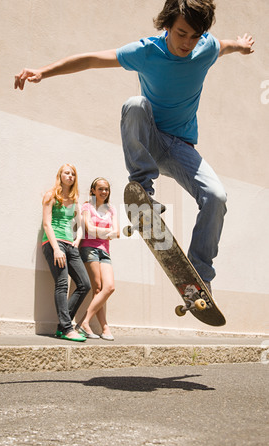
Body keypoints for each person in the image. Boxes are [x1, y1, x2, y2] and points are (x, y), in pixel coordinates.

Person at [15, 0, 255, 293]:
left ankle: (199, 277)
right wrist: (43, 72)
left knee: (217, 196)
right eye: (181, 33)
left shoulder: (206, 48)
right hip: (149, 138)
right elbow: (91, 59)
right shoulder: (145, 51)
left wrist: (241, 46)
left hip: (181, 150)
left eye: (194, 36)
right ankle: (142, 192)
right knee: (135, 104)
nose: (188, 43)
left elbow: (225, 45)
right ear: (167, 25)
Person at [42, 163, 91, 341]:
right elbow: (47, 223)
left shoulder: (75, 199)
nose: (69, 176)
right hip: (53, 243)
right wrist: (56, 249)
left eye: (72, 174)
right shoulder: (51, 195)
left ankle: (63, 326)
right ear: (60, 175)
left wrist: (77, 240)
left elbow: (79, 225)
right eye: (66, 173)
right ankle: (67, 328)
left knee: (85, 285)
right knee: (62, 284)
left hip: (71, 245)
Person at [76, 178, 119, 340]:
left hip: (104, 252)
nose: (104, 192)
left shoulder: (111, 209)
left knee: (109, 287)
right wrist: (107, 232)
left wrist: (100, 231)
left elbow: (118, 232)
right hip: (89, 249)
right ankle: (105, 327)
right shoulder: (87, 206)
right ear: (93, 190)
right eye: (100, 189)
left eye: (106, 189)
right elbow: (88, 228)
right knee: (98, 288)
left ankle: (83, 322)